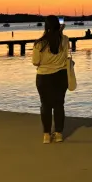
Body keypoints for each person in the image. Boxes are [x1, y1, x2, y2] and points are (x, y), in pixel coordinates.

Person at [31, 16, 70, 144]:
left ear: (45, 27)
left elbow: (35, 62)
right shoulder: (64, 40)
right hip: (61, 76)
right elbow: (64, 53)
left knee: (45, 105)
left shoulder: (39, 44)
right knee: (59, 105)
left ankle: (47, 135)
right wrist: (60, 31)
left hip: (44, 77)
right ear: (58, 26)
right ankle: (58, 134)